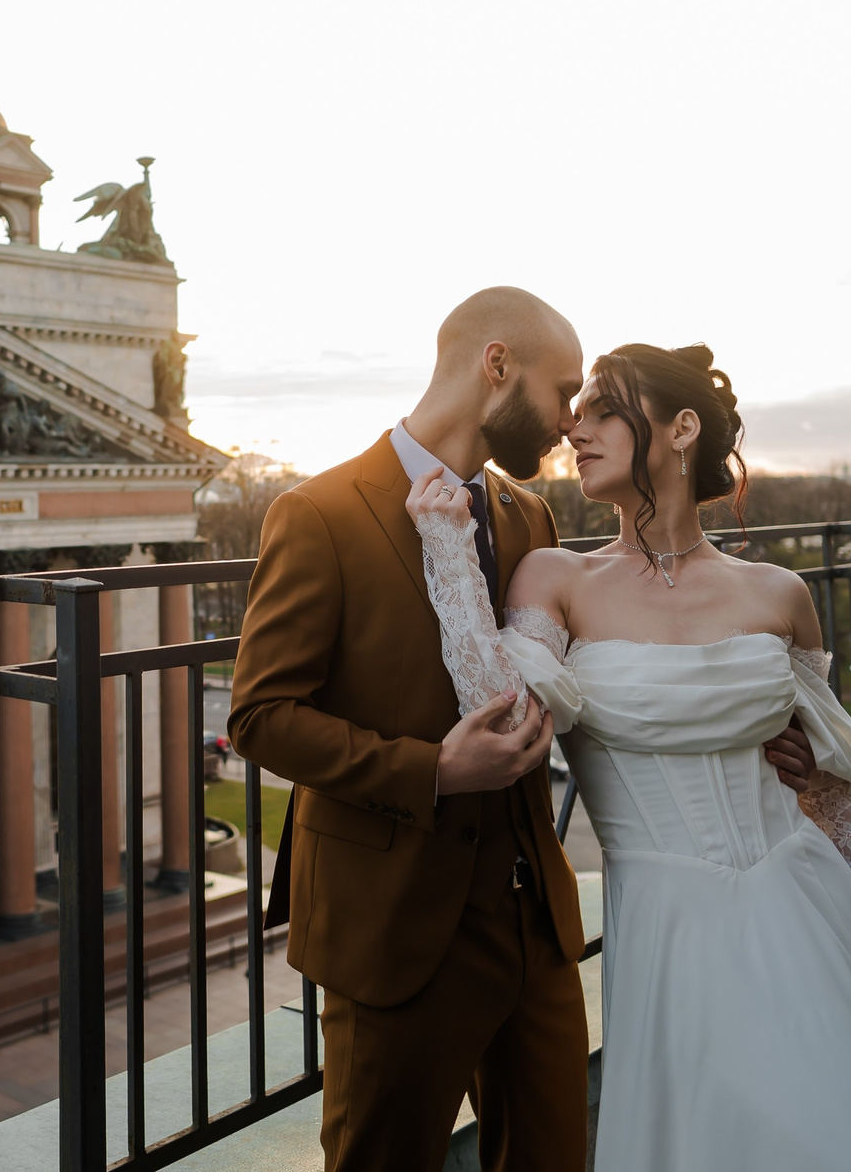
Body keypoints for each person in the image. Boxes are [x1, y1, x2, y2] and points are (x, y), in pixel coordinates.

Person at [406, 342, 851, 1172]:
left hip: (806, 905)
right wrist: (447, 548)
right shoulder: (555, 577)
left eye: (601, 407)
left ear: (681, 426)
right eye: (574, 409)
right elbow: (505, 719)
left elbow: (830, 793)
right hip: (670, 925)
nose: (573, 425)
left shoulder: (780, 593)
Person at [230, 288, 593, 1170]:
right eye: (564, 390)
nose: (570, 420)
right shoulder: (320, 512)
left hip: (533, 921)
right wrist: (434, 768)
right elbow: (261, 714)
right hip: (394, 929)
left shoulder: (529, 516)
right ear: (496, 365)